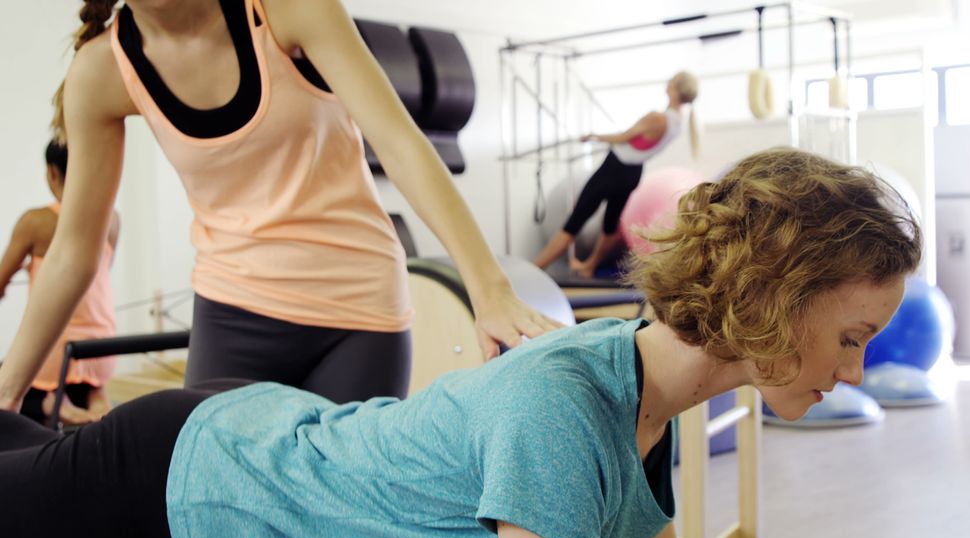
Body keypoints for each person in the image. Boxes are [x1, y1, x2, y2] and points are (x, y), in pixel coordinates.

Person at [0, 148, 922, 538]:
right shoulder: (567, 409)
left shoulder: (644, 406)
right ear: (772, 300)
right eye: (851, 338)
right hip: (189, 481)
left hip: (245, 435)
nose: (851, 373)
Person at [0, 0, 562, 415]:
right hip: (233, 312)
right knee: (221, 517)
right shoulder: (101, 72)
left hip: (357, 313)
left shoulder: (286, 10)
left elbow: (400, 143)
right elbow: (76, 249)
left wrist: (489, 288)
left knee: (338, 521)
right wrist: (8, 390)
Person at [533, 71, 700, 279]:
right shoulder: (680, 123)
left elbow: (622, 138)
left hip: (614, 169)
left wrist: (593, 136)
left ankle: (534, 269)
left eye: (671, 81)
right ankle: (589, 266)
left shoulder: (657, 118)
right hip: (632, 174)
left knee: (574, 222)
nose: (667, 82)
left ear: (675, 90)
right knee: (610, 224)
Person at [0, 140, 119, 425]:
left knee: (10, 377)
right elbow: (92, 273)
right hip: (103, 349)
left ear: (52, 172)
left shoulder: (35, 222)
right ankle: (95, 396)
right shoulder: (111, 218)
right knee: (85, 379)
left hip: (53, 353)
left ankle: (52, 401)